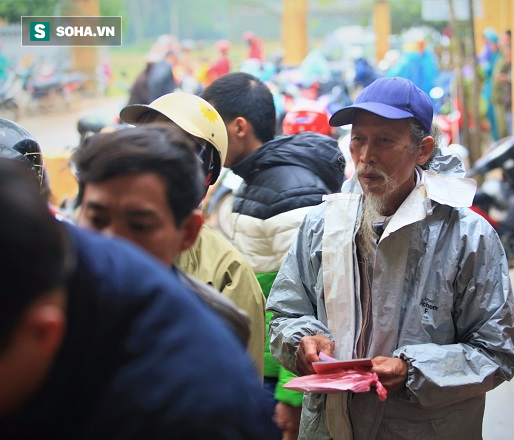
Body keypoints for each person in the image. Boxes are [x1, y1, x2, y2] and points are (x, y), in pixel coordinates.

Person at [267, 76, 514, 439]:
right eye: (358, 140)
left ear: (423, 150)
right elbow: (286, 312)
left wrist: (412, 370)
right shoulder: (322, 224)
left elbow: (496, 353)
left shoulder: (468, 237)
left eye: (384, 141)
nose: (366, 156)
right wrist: (303, 340)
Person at [0, 158, 278, 439]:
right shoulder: (43, 259)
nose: (113, 238)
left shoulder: (197, 399)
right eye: (96, 218)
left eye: (140, 225)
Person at [201, 72, 345, 439]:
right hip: (261, 365)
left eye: (211, 125)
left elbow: (312, 299)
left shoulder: (287, 191)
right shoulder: (255, 177)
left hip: (280, 376)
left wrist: (289, 395)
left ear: (238, 127)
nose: (206, 139)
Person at [119, 92, 267, 378]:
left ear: (205, 170)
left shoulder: (228, 271)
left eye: (172, 148)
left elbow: (237, 392)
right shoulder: (95, 241)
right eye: (144, 141)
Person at [71, 125, 251, 348]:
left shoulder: (213, 341)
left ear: (187, 232)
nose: (111, 242)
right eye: (97, 220)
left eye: (138, 226)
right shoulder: (47, 304)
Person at [491, 29, 512, 139]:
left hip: (504, 98)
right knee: (500, 127)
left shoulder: (509, 53)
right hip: (498, 96)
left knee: (505, 128)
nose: (500, 41)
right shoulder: (500, 54)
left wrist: (507, 78)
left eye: (503, 39)